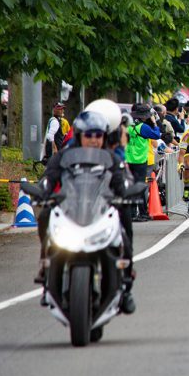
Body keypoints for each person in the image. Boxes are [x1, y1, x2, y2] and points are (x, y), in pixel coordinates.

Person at [35, 110, 137, 314]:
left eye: (98, 135)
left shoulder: (112, 158)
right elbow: (50, 177)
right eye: (89, 135)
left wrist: (126, 193)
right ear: (79, 135)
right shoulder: (63, 156)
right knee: (46, 214)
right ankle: (46, 264)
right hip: (70, 209)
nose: (93, 140)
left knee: (124, 219)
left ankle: (125, 281)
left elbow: (121, 182)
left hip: (101, 209)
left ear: (105, 137)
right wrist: (44, 192)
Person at [126, 103, 161, 221]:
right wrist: (155, 123)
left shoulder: (127, 126)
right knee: (140, 186)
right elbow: (156, 135)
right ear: (144, 116)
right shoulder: (143, 127)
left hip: (128, 159)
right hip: (140, 159)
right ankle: (142, 213)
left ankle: (131, 214)